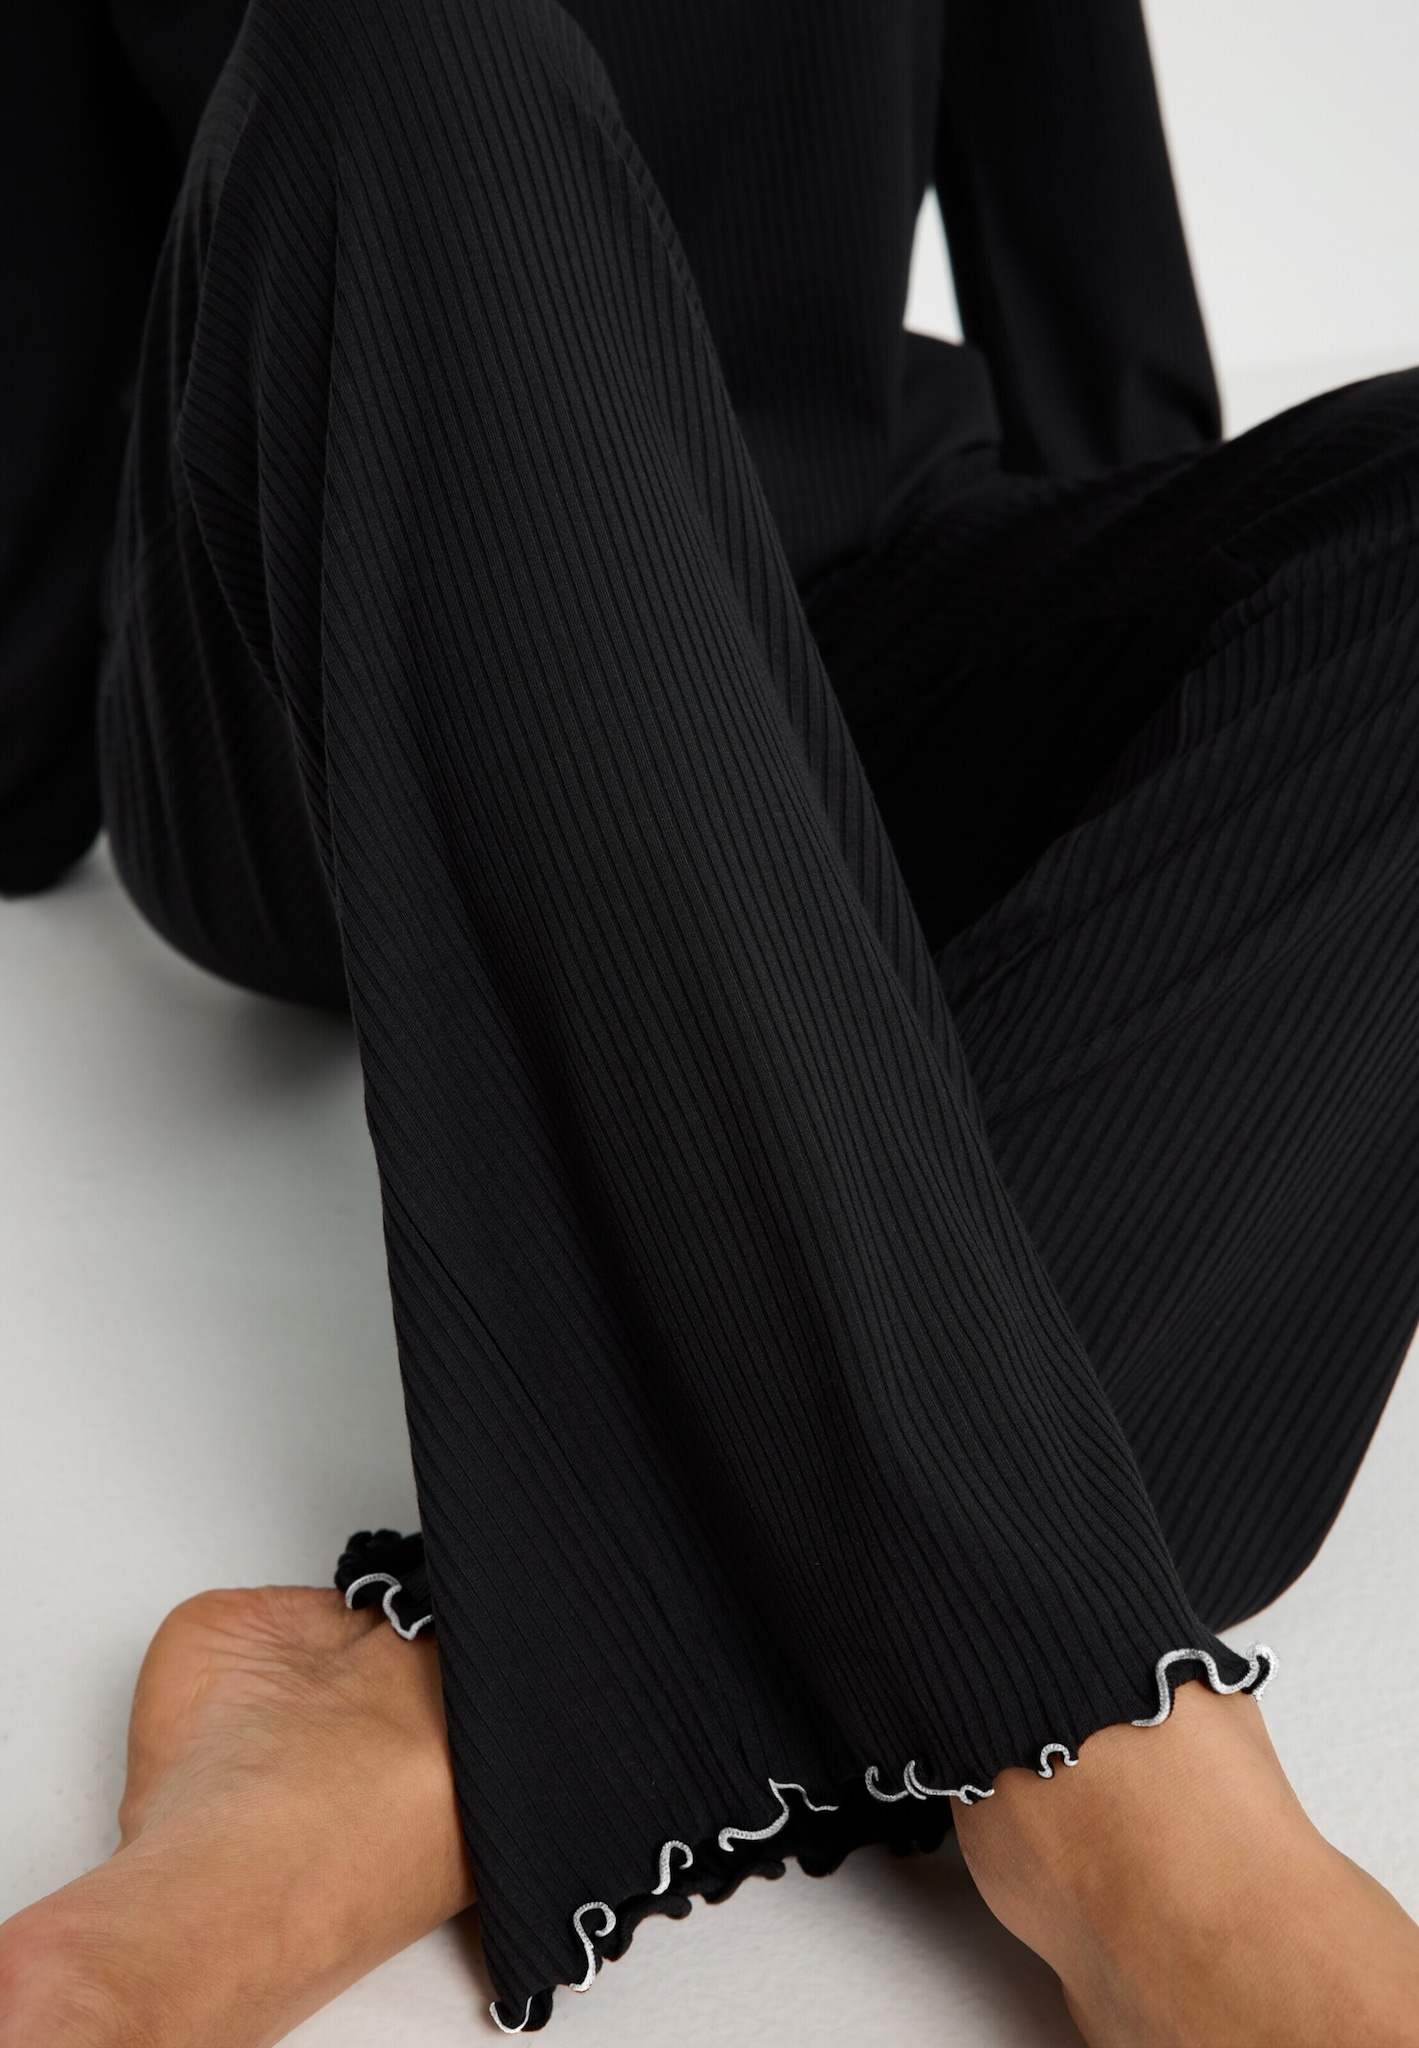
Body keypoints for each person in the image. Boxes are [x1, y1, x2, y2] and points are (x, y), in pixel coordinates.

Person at [2, 0, 1418, 2041]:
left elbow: (1109, 384)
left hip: (837, 600)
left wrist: (1185, 835)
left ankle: (409, 1715)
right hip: (323, 662)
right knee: (407, 39)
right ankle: (1113, 1777)